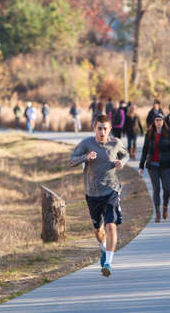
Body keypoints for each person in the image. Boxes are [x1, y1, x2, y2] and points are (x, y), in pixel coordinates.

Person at [69, 114, 129, 277]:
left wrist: (121, 163)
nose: (102, 132)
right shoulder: (86, 144)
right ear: (94, 128)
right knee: (98, 230)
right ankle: (104, 248)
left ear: (110, 129)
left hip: (111, 190)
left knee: (111, 226)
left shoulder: (115, 143)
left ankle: (108, 263)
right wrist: (85, 158)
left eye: (105, 128)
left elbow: (126, 154)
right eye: (99, 128)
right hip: (92, 193)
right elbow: (71, 160)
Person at [139, 113, 170, 223]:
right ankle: (157, 213)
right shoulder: (149, 134)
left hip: (166, 165)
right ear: (153, 122)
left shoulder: (169, 133)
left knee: (167, 189)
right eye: (156, 120)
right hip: (153, 166)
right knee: (156, 189)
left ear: (163, 121)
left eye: (160, 120)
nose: (158, 122)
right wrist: (141, 166)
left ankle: (165, 205)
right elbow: (145, 150)